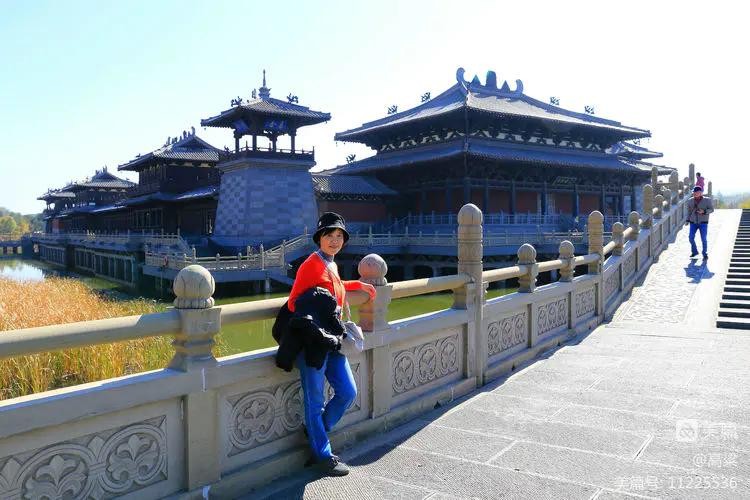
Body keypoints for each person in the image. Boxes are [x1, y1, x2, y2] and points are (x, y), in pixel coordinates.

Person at [287, 212, 376, 476]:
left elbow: (333, 285)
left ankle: (317, 432)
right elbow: (293, 303)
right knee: (315, 401)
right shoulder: (310, 264)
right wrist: (319, 308)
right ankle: (323, 455)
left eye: (339, 236)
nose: (335, 240)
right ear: (319, 238)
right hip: (312, 341)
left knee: (347, 391)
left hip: (333, 339)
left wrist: (358, 285)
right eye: (329, 235)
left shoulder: (330, 263)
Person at [686, 186, 713, 259]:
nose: (695, 193)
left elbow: (711, 209)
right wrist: (687, 220)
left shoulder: (707, 200)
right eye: (694, 192)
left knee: (703, 239)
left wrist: (704, 211)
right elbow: (688, 212)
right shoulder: (690, 201)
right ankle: (694, 252)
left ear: (701, 193)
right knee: (691, 238)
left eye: (697, 192)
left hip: (703, 222)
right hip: (693, 222)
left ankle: (704, 253)